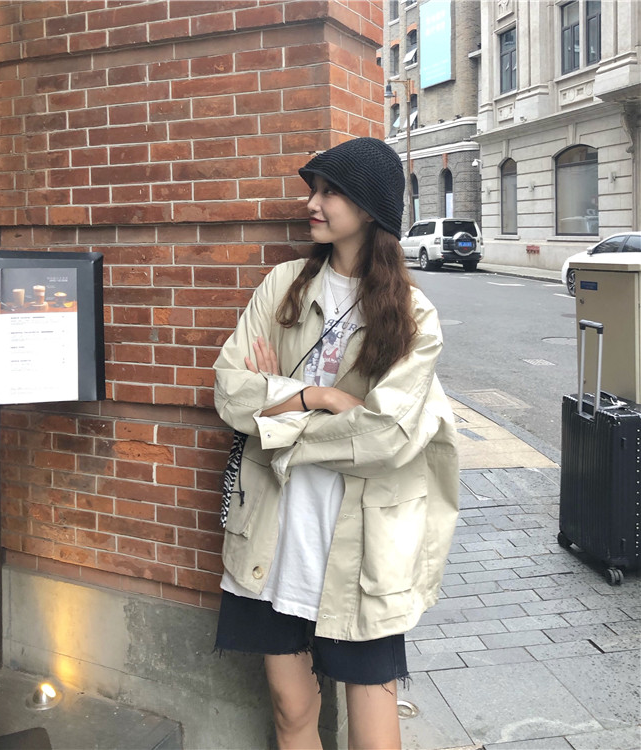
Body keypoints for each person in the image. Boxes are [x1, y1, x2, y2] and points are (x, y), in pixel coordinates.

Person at [212, 137, 459, 749]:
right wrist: (316, 397)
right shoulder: (284, 286)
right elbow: (230, 390)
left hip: (361, 537)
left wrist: (276, 411)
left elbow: (386, 434)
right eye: (313, 190)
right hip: (276, 525)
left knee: (373, 730)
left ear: (369, 209)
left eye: (330, 192)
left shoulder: (413, 315)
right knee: (290, 710)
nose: (312, 204)